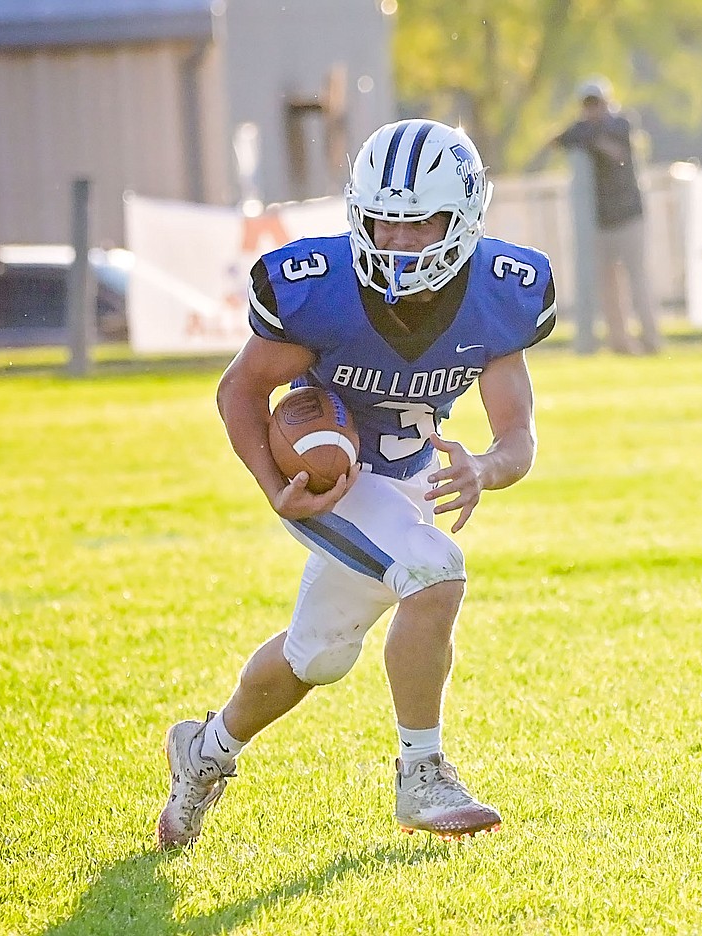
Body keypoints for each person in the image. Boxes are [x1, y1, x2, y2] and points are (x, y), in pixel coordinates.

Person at [156, 118, 556, 848]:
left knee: (319, 655)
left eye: (421, 224)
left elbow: (517, 438)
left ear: (463, 217)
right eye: (384, 224)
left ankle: (203, 751)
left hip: (406, 485)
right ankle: (423, 772)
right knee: (435, 572)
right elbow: (239, 391)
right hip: (333, 482)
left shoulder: (500, 292)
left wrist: (481, 469)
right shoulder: (321, 289)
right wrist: (272, 482)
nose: (399, 244)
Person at [549, 77, 660, 355]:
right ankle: (620, 343)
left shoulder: (621, 124)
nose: (592, 109)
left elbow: (610, 149)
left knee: (639, 281)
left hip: (628, 217)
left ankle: (652, 340)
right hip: (601, 222)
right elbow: (559, 141)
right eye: (588, 104)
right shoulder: (584, 131)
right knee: (609, 287)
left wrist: (588, 137)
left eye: (596, 103)